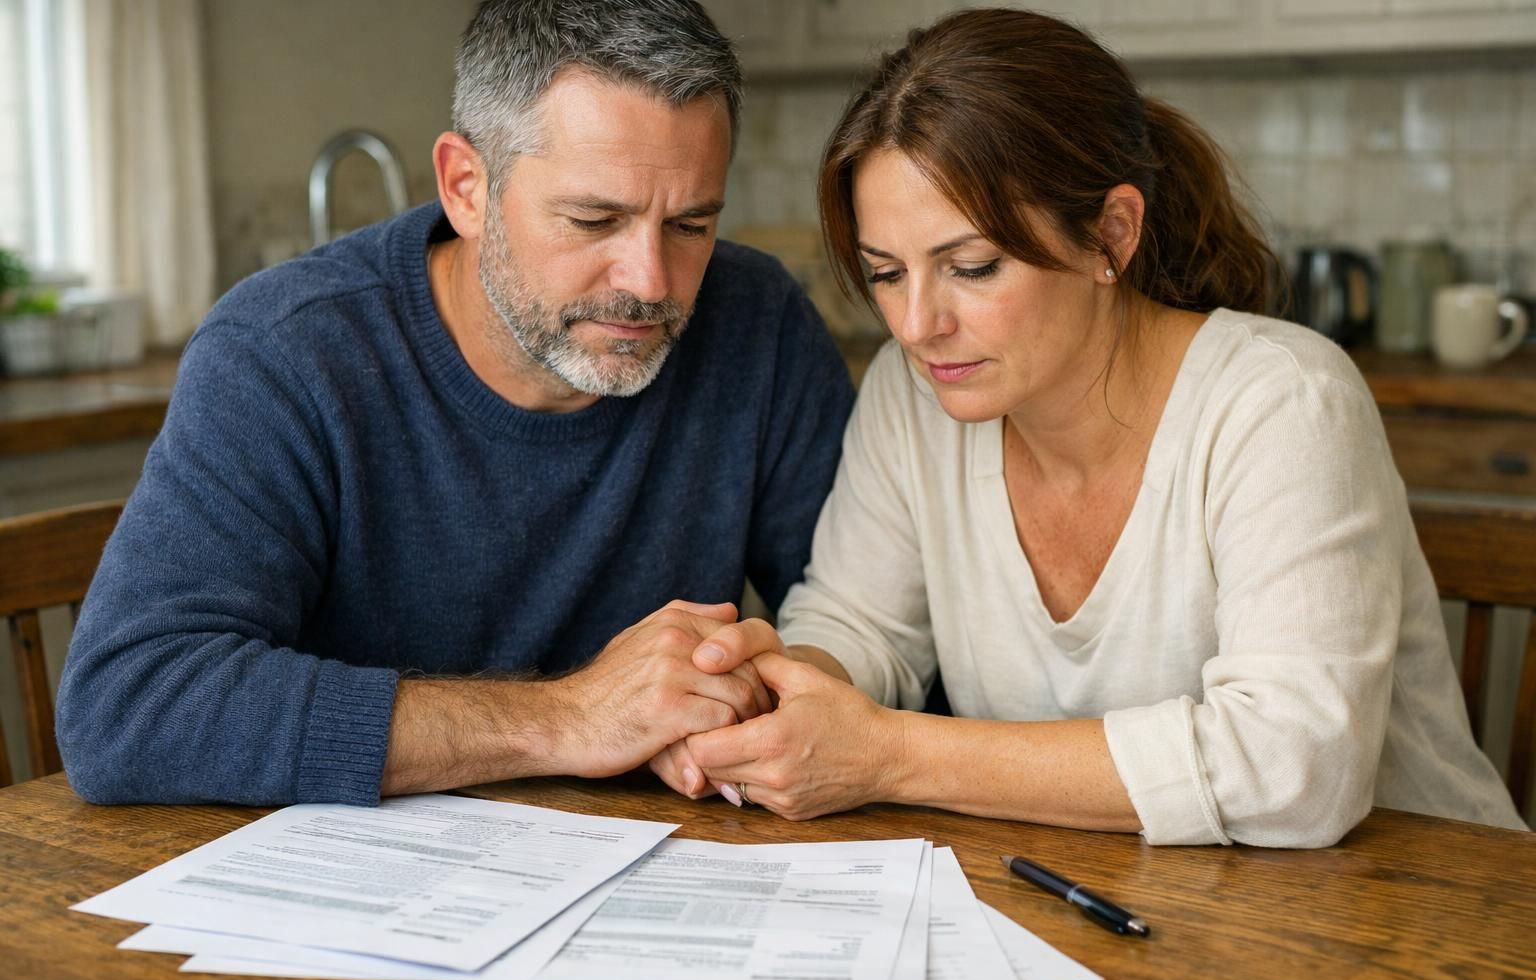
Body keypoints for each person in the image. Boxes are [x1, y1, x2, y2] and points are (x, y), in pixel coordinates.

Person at [677, 8, 1526, 846]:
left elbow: (1295, 768)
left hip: (1422, 924)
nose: (916, 325)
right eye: (887, 274)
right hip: (1144, 913)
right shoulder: (917, 396)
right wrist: (779, 694)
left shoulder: (1282, 400)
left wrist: (891, 754)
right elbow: (859, 624)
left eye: (972, 267)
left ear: (1110, 236)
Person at [54, 0, 853, 807]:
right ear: (466, 188)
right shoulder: (285, 353)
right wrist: (569, 719)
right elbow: (129, 706)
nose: (650, 281)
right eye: (593, 219)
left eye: (690, 224)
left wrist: (737, 696)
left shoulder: (757, 322)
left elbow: (864, 623)